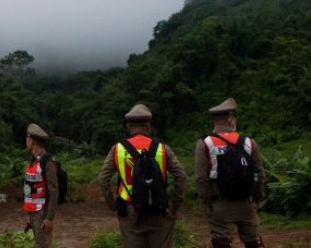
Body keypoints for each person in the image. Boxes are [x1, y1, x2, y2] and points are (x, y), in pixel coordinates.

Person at [98, 104, 187, 248]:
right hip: (159, 210)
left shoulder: (118, 148)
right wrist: (174, 206)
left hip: (129, 211)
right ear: (148, 126)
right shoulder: (162, 148)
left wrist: (113, 206)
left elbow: (103, 179)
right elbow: (181, 176)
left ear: (128, 126)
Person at [194, 98, 267, 248]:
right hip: (246, 202)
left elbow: (201, 178)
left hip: (219, 203)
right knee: (253, 241)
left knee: (221, 242)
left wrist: (206, 203)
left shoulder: (205, 143)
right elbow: (260, 174)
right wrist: (256, 199)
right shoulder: (249, 142)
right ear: (230, 119)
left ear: (215, 121)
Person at [23, 123, 59, 248]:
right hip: (32, 213)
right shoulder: (31, 161)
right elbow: (29, 191)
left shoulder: (47, 162)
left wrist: (49, 218)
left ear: (32, 141)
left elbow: (53, 191)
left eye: (27, 139)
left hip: (42, 213)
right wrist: (28, 217)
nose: (26, 142)